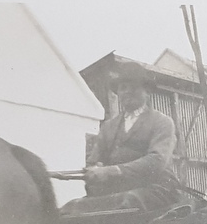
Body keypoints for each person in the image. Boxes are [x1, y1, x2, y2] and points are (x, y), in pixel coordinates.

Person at [60, 62, 181, 215]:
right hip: (116, 193)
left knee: (128, 202)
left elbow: (157, 161)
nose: (127, 92)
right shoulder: (109, 126)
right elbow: (93, 161)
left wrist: (113, 170)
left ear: (147, 91)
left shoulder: (162, 122)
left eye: (134, 87)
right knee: (73, 207)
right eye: (123, 87)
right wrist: (95, 170)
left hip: (157, 190)